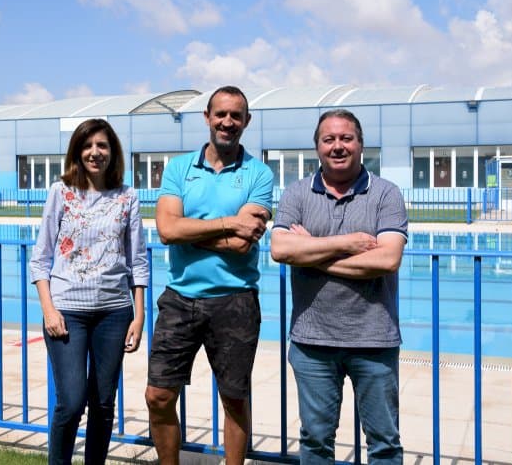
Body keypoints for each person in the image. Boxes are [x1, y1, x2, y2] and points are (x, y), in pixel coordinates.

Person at [144, 86, 274, 465]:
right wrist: (227, 224)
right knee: (158, 395)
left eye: (236, 116)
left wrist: (189, 230)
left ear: (246, 122)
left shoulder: (258, 174)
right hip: (180, 298)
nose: (227, 122)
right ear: (207, 117)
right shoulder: (179, 168)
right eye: (221, 114)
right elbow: (167, 231)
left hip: (235, 299)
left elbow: (242, 245)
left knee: (234, 398)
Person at [270, 109, 408, 465]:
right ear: (317, 146)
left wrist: (310, 252)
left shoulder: (386, 194)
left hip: (374, 341)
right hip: (312, 342)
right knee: (315, 441)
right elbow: (281, 249)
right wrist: (348, 243)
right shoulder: (297, 193)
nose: (338, 146)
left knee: (384, 443)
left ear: (360, 144)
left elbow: (386, 260)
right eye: (328, 139)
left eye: (346, 138)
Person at [30, 118, 149, 465]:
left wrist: (139, 316)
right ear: (77, 152)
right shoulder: (61, 192)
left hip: (115, 313)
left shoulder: (127, 197)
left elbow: (137, 261)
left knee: (102, 403)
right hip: (67, 311)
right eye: (88, 145)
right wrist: (49, 310)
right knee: (71, 401)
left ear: (113, 152)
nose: (95, 152)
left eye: (102, 145)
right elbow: (41, 258)